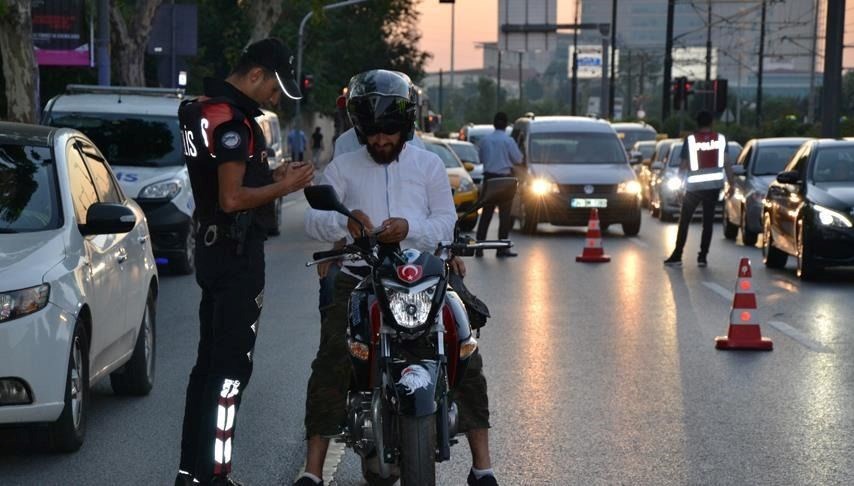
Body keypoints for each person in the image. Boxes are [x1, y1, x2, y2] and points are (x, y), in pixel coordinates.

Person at [296, 69, 499, 486]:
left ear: (405, 127)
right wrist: (347, 225)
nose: (381, 141)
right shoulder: (344, 166)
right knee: (332, 358)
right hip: (362, 278)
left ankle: (483, 468)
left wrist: (410, 229)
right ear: (361, 129)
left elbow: (445, 223)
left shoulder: (427, 165)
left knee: (466, 351)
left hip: (425, 276)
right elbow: (314, 219)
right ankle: (312, 471)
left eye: (389, 132)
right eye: (373, 133)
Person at [174, 37, 315, 486]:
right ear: (255, 74)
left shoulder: (202, 109)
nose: (275, 99)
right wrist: (285, 188)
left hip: (214, 250)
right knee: (232, 371)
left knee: (207, 367)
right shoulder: (233, 122)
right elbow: (232, 197)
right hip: (236, 256)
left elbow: (229, 178)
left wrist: (272, 176)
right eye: (275, 89)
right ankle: (215, 475)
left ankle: (190, 474)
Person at [664, 110, 732, 268]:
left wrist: (679, 187)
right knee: (707, 222)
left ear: (697, 123)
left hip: (694, 188)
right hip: (713, 187)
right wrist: (732, 184)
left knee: (685, 221)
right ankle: (702, 257)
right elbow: (727, 163)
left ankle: (677, 255)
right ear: (711, 123)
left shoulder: (691, 140)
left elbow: (683, 165)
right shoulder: (720, 139)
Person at [474, 112, 523, 257]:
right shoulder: (508, 141)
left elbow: (481, 159)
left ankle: (479, 247)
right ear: (506, 124)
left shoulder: (485, 140)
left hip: (489, 179)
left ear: (494, 124)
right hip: (504, 180)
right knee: (504, 215)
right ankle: (502, 248)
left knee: (486, 214)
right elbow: (518, 159)